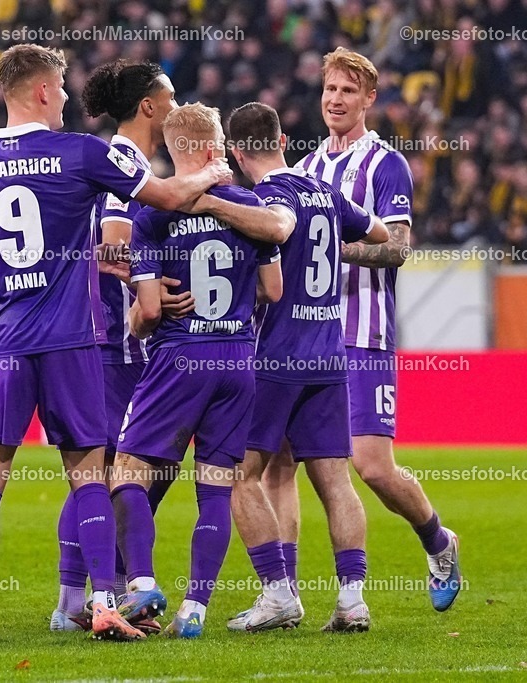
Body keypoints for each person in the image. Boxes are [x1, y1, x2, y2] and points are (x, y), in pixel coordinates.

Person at [0, 44, 232, 645]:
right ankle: (103, 602)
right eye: (60, 87)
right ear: (43, 91)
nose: (65, 99)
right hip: (71, 339)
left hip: (5, 340)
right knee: (89, 474)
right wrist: (212, 173)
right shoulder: (81, 152)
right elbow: (165, 200)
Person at [270, 48, 463, 617]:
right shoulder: (305, 168)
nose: (336, 100)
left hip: (363, 334)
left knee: (372, 466)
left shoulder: (386, 164)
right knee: (280, 461)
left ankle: (438, 540)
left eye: (348, 91)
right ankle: (283, 593)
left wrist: (332, 250)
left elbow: (398, 248)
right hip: (304, 336)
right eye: (330, 89)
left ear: (369, 99)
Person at [109, 103, 283, 639]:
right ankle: (195, 610)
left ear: (171, 149)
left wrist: (140, 317)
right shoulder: (248, 206)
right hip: (237, 359)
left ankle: (141, 583)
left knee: (126, 472)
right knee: (215, 487)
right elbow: (273, 290)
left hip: (180, 358)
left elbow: (148, 314)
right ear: (214, 149)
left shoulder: (152, 214)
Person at [223, 101, 390, 633]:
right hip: (329, 355)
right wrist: (336, 244)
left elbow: (275, 239)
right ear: (281, 139)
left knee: (239, 475)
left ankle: (278, 593)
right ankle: (352, 600)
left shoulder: (262, 201)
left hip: (276, 356)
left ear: (236, 152)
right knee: (335, 481)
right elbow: (381, 234)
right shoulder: (325, 191)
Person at [50, 59, 185, 635]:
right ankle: (75, 602)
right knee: (108, 469)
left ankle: (91, 594)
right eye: (171, 97)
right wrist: (149, 287)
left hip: (116, 340)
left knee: (121, 467)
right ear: (149, 106)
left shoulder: (131, 161)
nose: (179, 107)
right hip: (113, 341)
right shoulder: (124, 161)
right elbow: (110, 250)